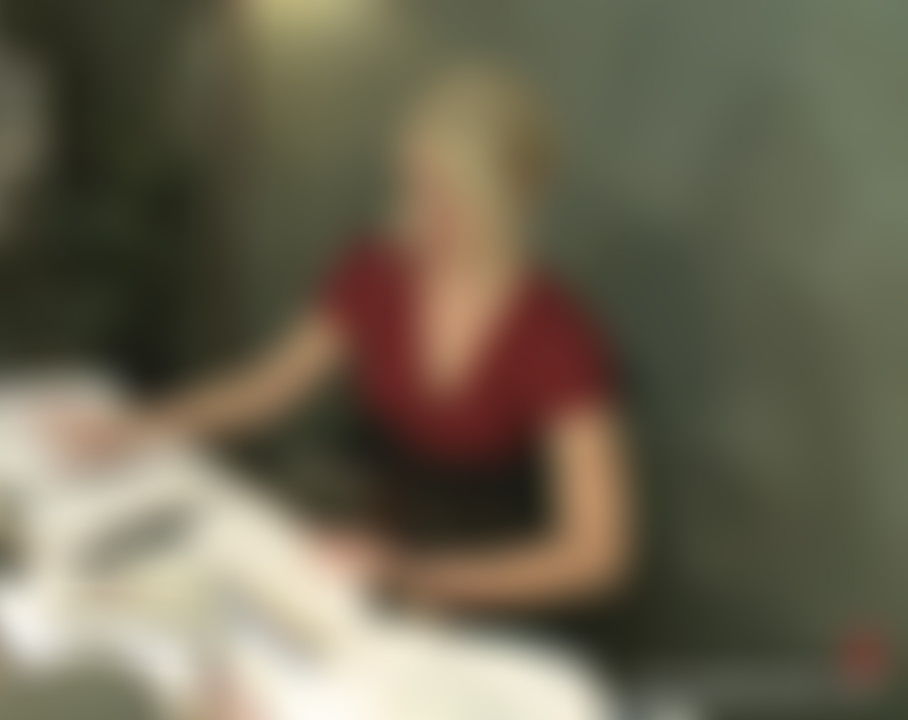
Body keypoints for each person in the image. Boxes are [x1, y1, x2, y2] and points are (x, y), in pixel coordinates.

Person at [65, 62, 633, 642]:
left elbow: (597, 554)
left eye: (450, 197)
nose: (419, 213)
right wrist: (134, 426)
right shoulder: (376, 271)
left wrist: (419, 577)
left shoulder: (556, 334)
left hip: (491, 579)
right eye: (415, 185)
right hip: (376, 546)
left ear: (508, 202)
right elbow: (264, 390)